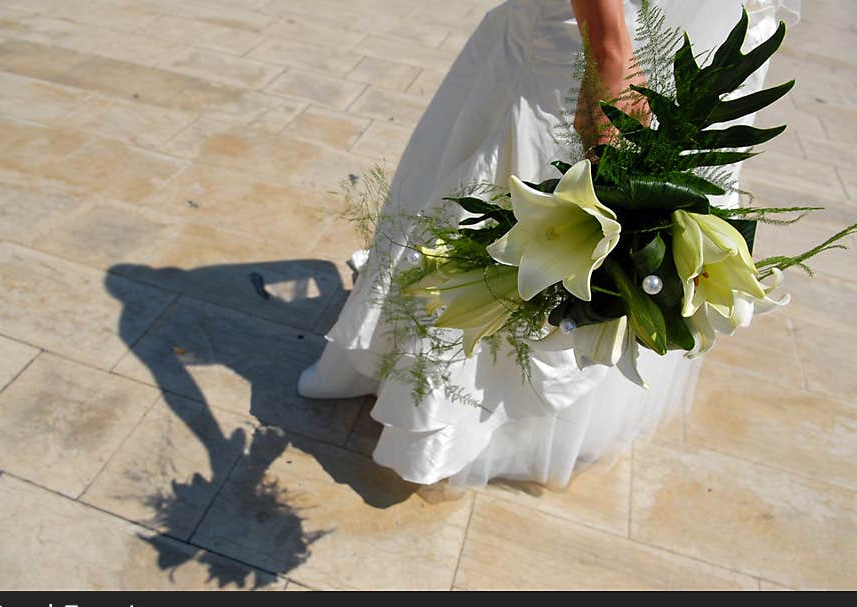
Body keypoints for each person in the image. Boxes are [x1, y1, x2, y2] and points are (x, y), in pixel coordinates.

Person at [298, 0, 801, 489]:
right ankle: (478, 414)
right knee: (516, 233)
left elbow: (617, 46)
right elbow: (608, 48)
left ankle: (507, 416)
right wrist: (612, 62)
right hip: (581, 54)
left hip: (631, 49)